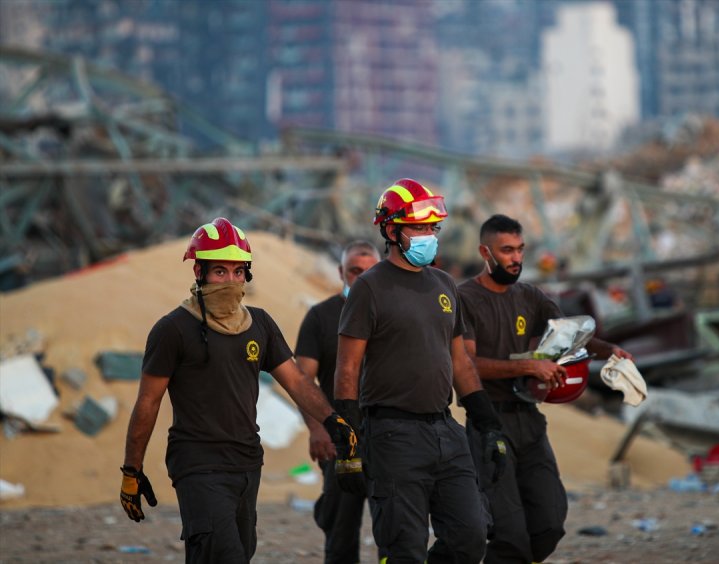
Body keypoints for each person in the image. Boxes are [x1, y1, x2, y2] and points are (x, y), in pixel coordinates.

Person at [119, 217, 358, 563]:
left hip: (247, 463)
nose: (230, 281)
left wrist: (332, 420)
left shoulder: (259, 323)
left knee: (235, 554)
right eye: (220, 272)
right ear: (199, 272)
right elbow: (148, 402)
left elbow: (295, 380)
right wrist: (131, 470)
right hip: (197, 464)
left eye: (237, 271)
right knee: (225, 555)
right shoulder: (172, 330)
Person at [333, 178, 507, 563]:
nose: (429, 236)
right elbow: (347, 369)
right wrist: (347, 445)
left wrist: (488, 422)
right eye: (419, 227)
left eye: (433, 228)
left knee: (470, 538)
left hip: (446, 431)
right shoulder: (369, 288)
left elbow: (460, 362)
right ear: (392, 230)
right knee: (403, 549)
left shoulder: (445, 285)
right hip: (393, 435)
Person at [457, 214, 633, 564]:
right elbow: (466, 364)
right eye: (507, 250)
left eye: (520, 250)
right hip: (489, 424)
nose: (516, 258)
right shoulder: (464, 298)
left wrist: (610, 351)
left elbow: (569, 336)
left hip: (531, 422)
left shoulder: (531, 296)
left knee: (549, 524)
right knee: (508, 534)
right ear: (485, 252)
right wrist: (528, 365)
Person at [295, 240, 381, 564]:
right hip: (341, 439)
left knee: (396, 529)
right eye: (354, 271)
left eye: (369, 272)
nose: (361, 278)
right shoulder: (320, 317)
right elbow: (302, 380)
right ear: (340, 272)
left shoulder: (393, 313)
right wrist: (318, 429)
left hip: (389, 436)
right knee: (341, 532)